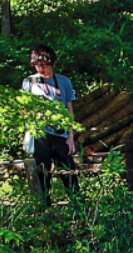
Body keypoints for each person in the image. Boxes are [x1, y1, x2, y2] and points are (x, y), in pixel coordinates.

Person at [21, 45, 78, 206]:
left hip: (60, 134)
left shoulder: (64, 82)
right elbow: (24, 109)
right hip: (40, 134)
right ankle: (44, 207)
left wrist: (71, 137)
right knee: (42, 173)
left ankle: (78, 205)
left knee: (68, 170)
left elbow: (69, 110)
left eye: (44, 65)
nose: (41, 69)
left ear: (53, 63)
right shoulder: (29, 82)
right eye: (37, 65)